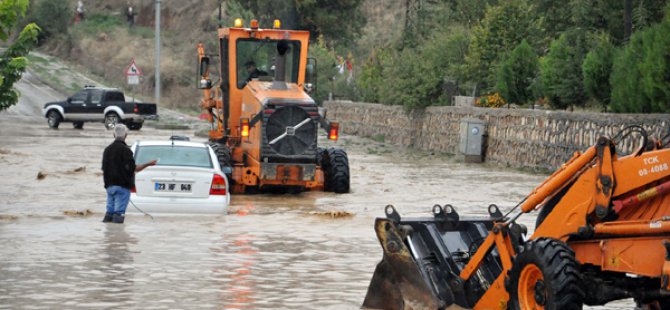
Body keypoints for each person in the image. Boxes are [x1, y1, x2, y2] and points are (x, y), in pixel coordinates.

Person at [101, 124, 156, 224]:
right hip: (122, 187)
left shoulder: (107, 150)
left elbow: (104, 169)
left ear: (114, 135)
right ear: (126, 135)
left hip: (109, 187)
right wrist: (148, 164)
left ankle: (108, 236)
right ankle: (117, 236)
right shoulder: (126, 150)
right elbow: (133, 168)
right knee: (119, 213)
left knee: (109, 212)